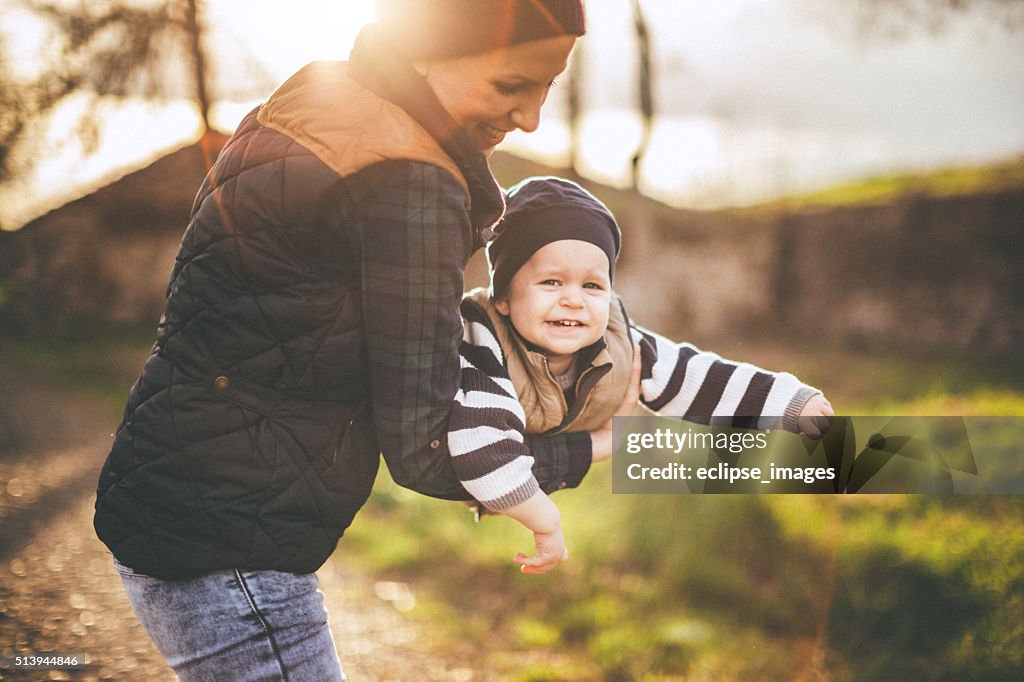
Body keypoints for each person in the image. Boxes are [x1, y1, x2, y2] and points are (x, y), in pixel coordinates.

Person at [93, 3, 599, 680]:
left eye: (547, 86)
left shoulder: (317, 99)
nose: (531, 117)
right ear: (428, 50)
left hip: (173, 494)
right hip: (234, 550)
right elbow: (422, 448)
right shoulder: (410, 178)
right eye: (512, 85)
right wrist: (583, 451)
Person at [449, 176, 835, 569]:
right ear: (503, 299)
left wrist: (787, 401)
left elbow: (694, 377)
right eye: (551, 282)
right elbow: (482, 449)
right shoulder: (483, 344)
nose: (573, 300)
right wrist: (544, 521)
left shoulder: (620, 342)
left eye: (593, 285)